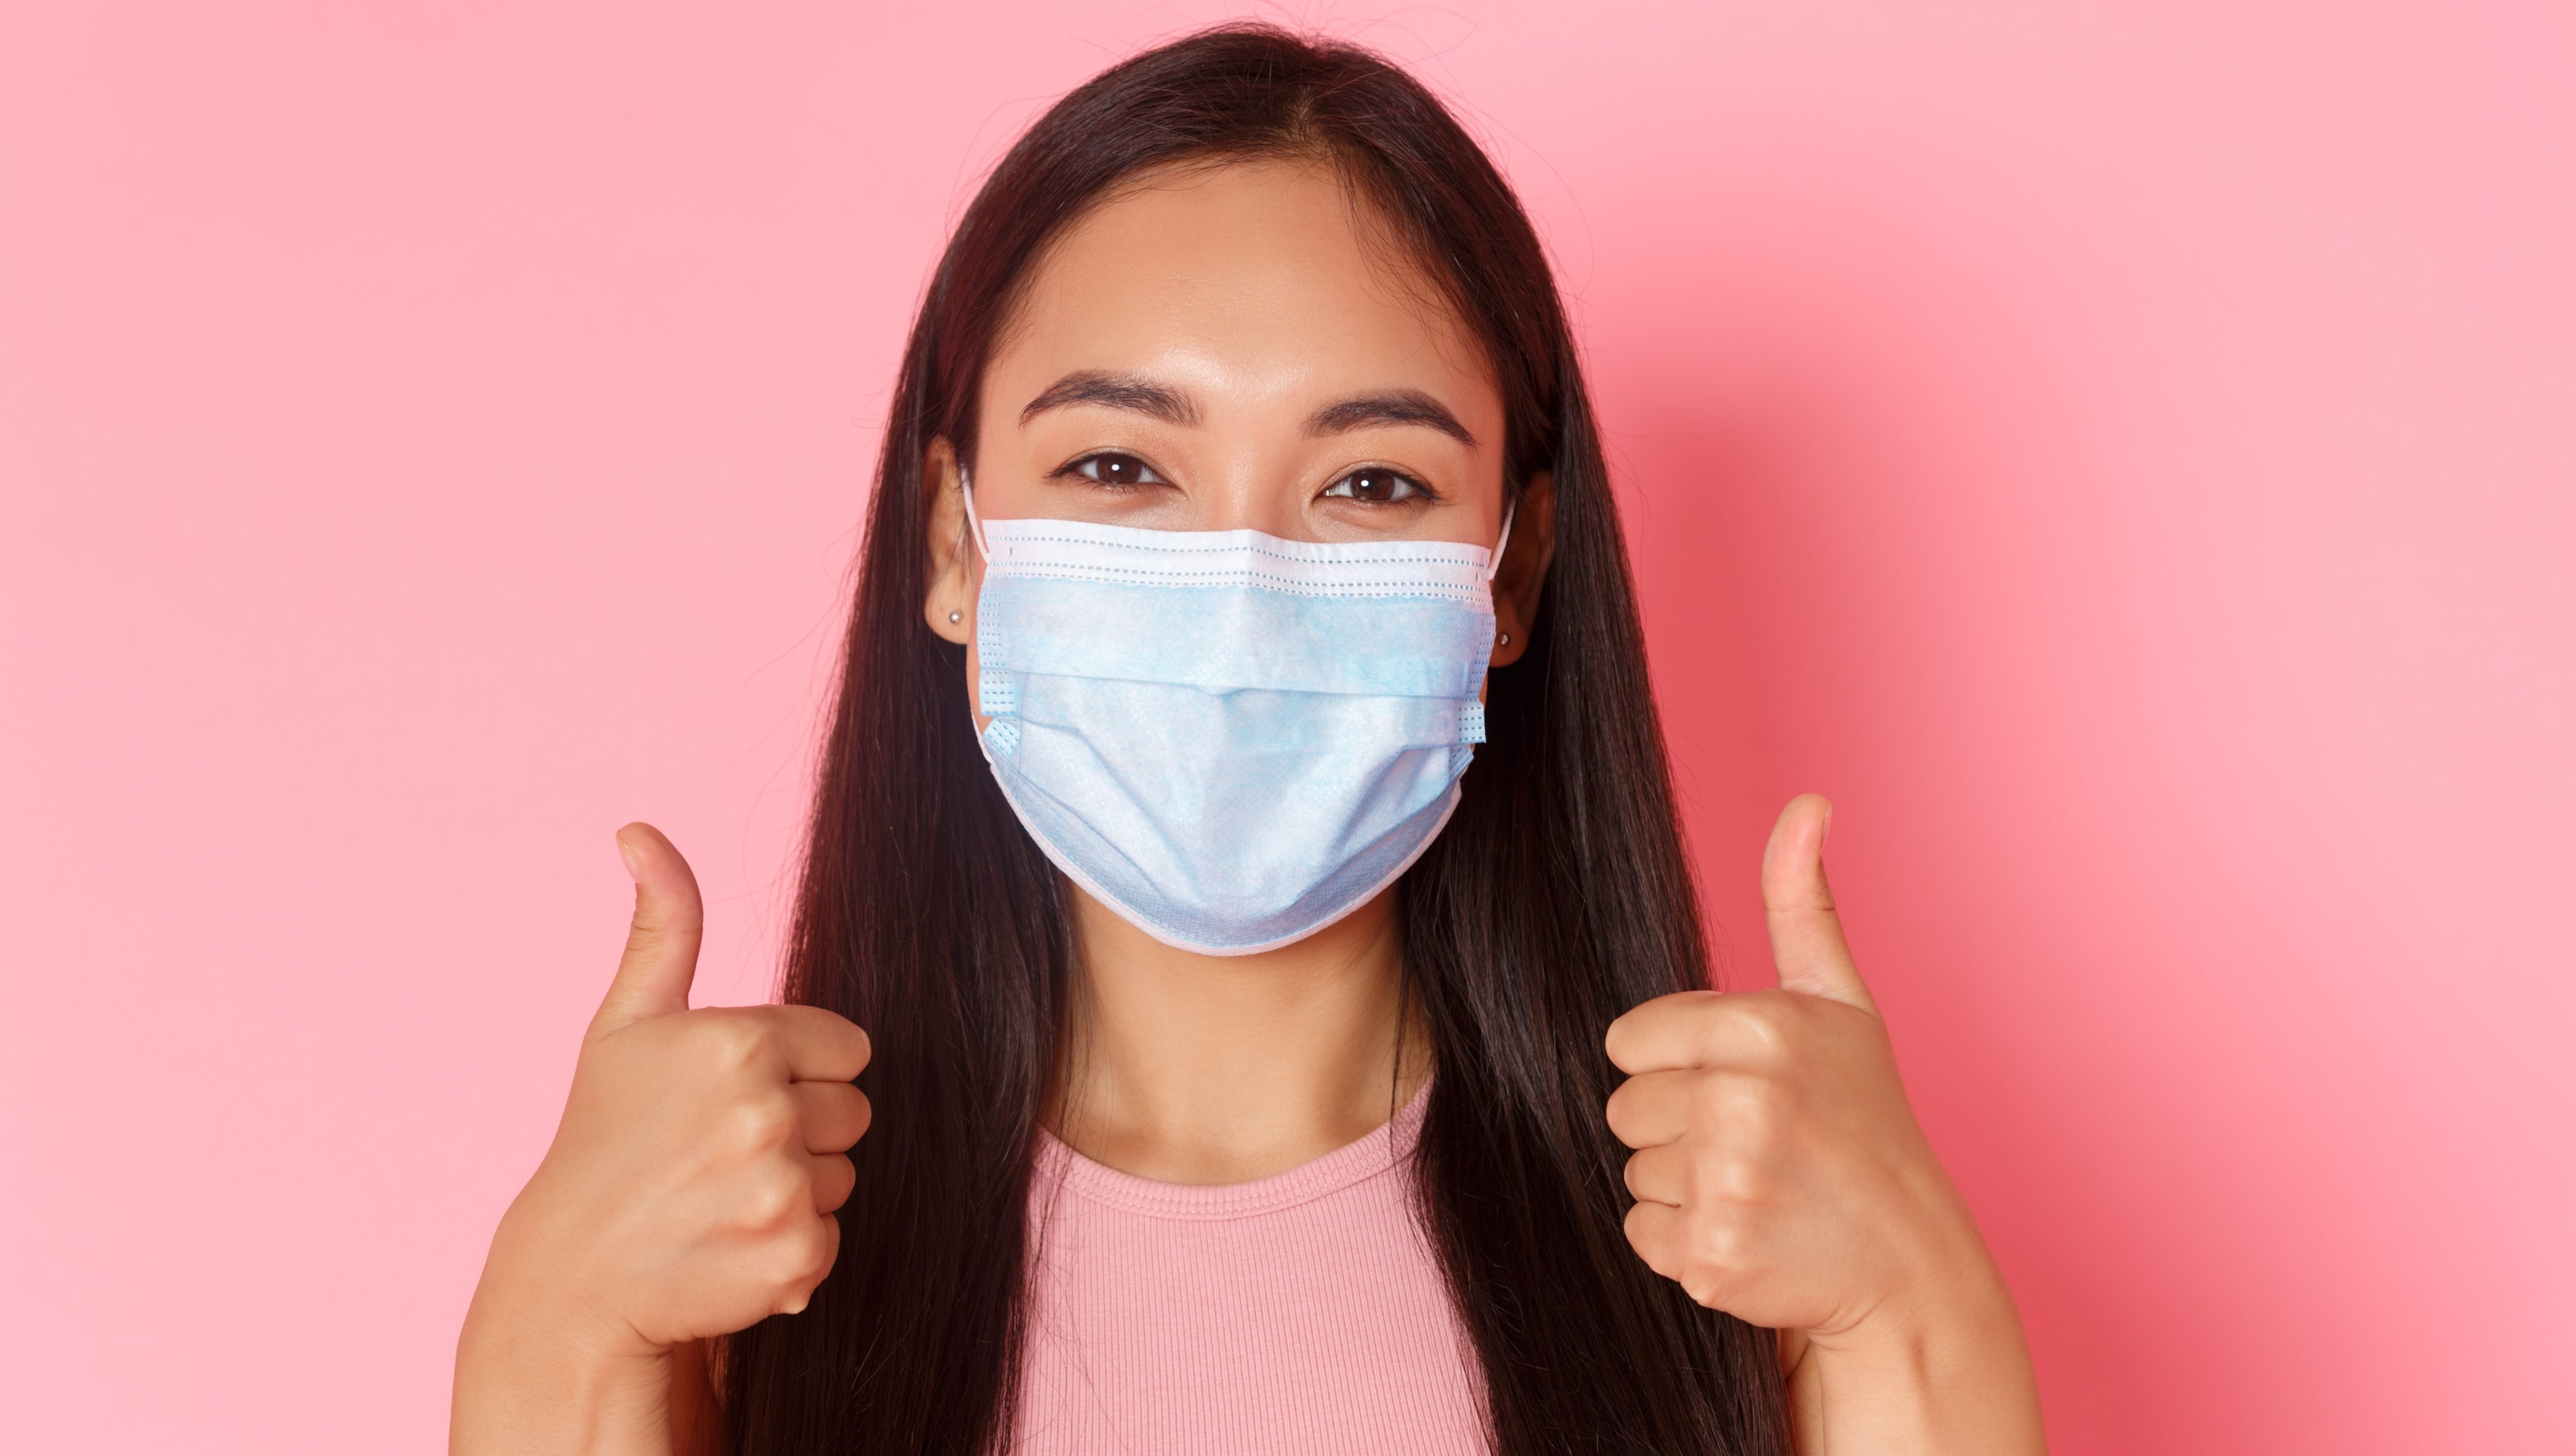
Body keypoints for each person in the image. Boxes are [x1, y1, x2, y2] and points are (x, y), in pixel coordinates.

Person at [451, 25, 2046, 1456]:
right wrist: (555, 1338)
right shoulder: (715, 1264)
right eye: (1117, 469)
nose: (1239, 603)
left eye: (1371, 486)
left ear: (1513, 572)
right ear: (950, 541)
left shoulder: (1753, 1243)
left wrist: (1912, 1306)